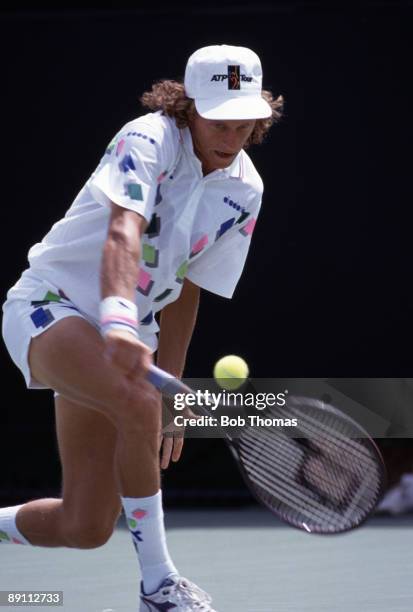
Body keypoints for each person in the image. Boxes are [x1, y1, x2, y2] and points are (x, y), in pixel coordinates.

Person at [1, 44, 283, 611]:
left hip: (128, 338)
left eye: (244, 118)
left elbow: (189, 287)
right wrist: (119, 320)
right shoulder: (146, 139)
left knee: (84, 525)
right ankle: (160, 586)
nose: (231, 133)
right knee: (135, 403)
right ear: (187, 107)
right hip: (52, 308)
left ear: (262, 114)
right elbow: (123, 230)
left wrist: (171, 385)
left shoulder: (244, 190)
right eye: (217, 118)